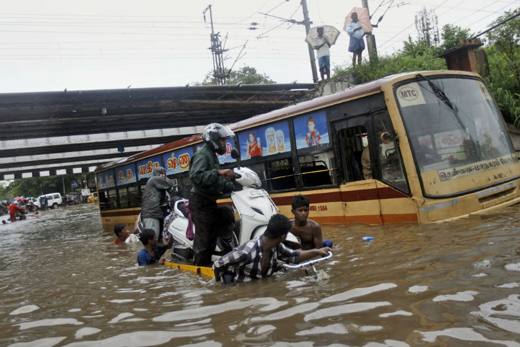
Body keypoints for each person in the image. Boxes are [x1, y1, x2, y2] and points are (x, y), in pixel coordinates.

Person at [213, 214, 331, 283]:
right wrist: (223, 283)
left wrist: (316, 251)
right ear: (282, 236)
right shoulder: (245, 253)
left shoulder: (277, 246)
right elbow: (217, 265)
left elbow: (293, 256)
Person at [189, 123, 236, 266]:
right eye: (222, 140)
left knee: (226, 213)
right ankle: (199, 273)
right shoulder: (202, 155)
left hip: (209, 202)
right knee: (204, 242)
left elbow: (215, 182)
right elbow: (196, 177)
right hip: (200, 202)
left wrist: (232, 185)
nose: (224, 143)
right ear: (213, 139)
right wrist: (219, 172)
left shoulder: (212, 155)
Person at [140, 166, 174, 239]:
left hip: (157, 213)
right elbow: (169, 184)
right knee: (152, 239)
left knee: (158, 239)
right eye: (161, 174)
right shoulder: (154, 179)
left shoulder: (160, 186)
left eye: (164, 174)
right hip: (152, 213)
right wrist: (165, 178)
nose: (163, 176)